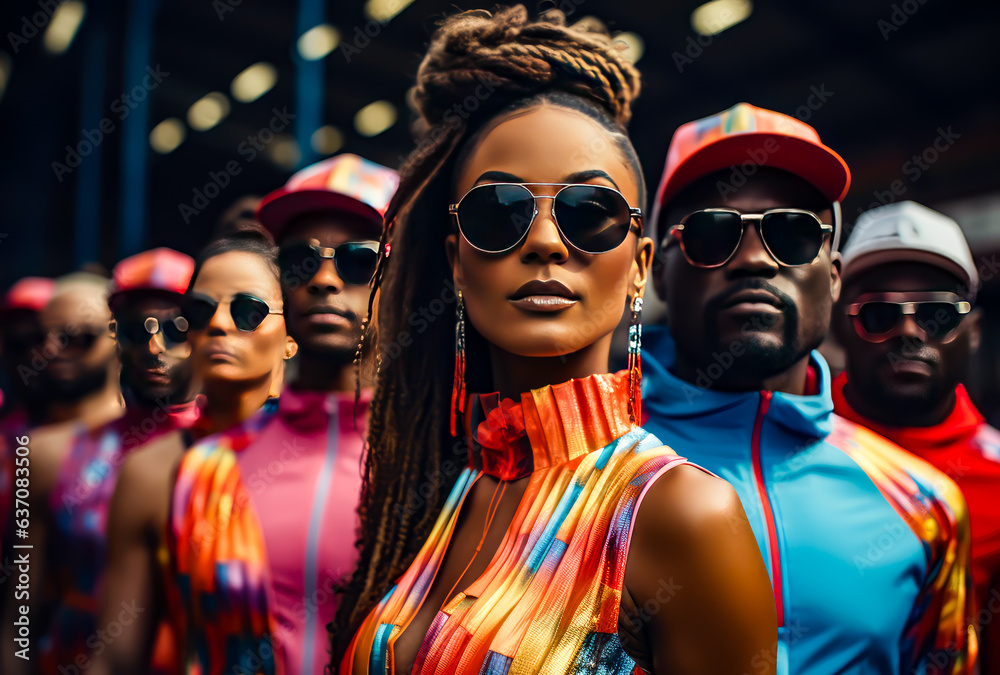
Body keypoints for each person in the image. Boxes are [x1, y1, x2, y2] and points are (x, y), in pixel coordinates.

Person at [332, 8, 777, 675]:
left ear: (639, 263)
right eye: (500, 212)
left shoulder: (683, 514)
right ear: (456, 259)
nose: (543, 240)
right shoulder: (452, 487)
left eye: (589, 213)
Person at [642, 102, 975, 674]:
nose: (752, 260)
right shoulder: (580, 470)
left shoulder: (926, 506)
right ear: (659, 273)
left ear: (835, 277)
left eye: (793, 234)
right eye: (711, 231)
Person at [91, 230, 296, 675]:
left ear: (290, 336)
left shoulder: (350, 459)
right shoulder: (149, 470)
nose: (219, 325)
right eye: (200, 312)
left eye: (248, 312)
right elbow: (114, 655)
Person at [832, 201, 1000, 671]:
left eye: (937, 315)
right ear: (839, 325)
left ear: (972, 332)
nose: (908, 331)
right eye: (879, 315)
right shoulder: (782, 444)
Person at [17, 249, 199, 673]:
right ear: (118, 336)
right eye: (138, 330)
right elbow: (19, 614)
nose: (156, 346)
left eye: (178, 328)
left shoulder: (226, 449)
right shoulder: (49, 453)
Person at [1, 272, 122, 675]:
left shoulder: (166, 442)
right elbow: (21, 607)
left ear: (116, 339)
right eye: (45, 337)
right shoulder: (35, 454)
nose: (53, 350)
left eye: (78, 337)